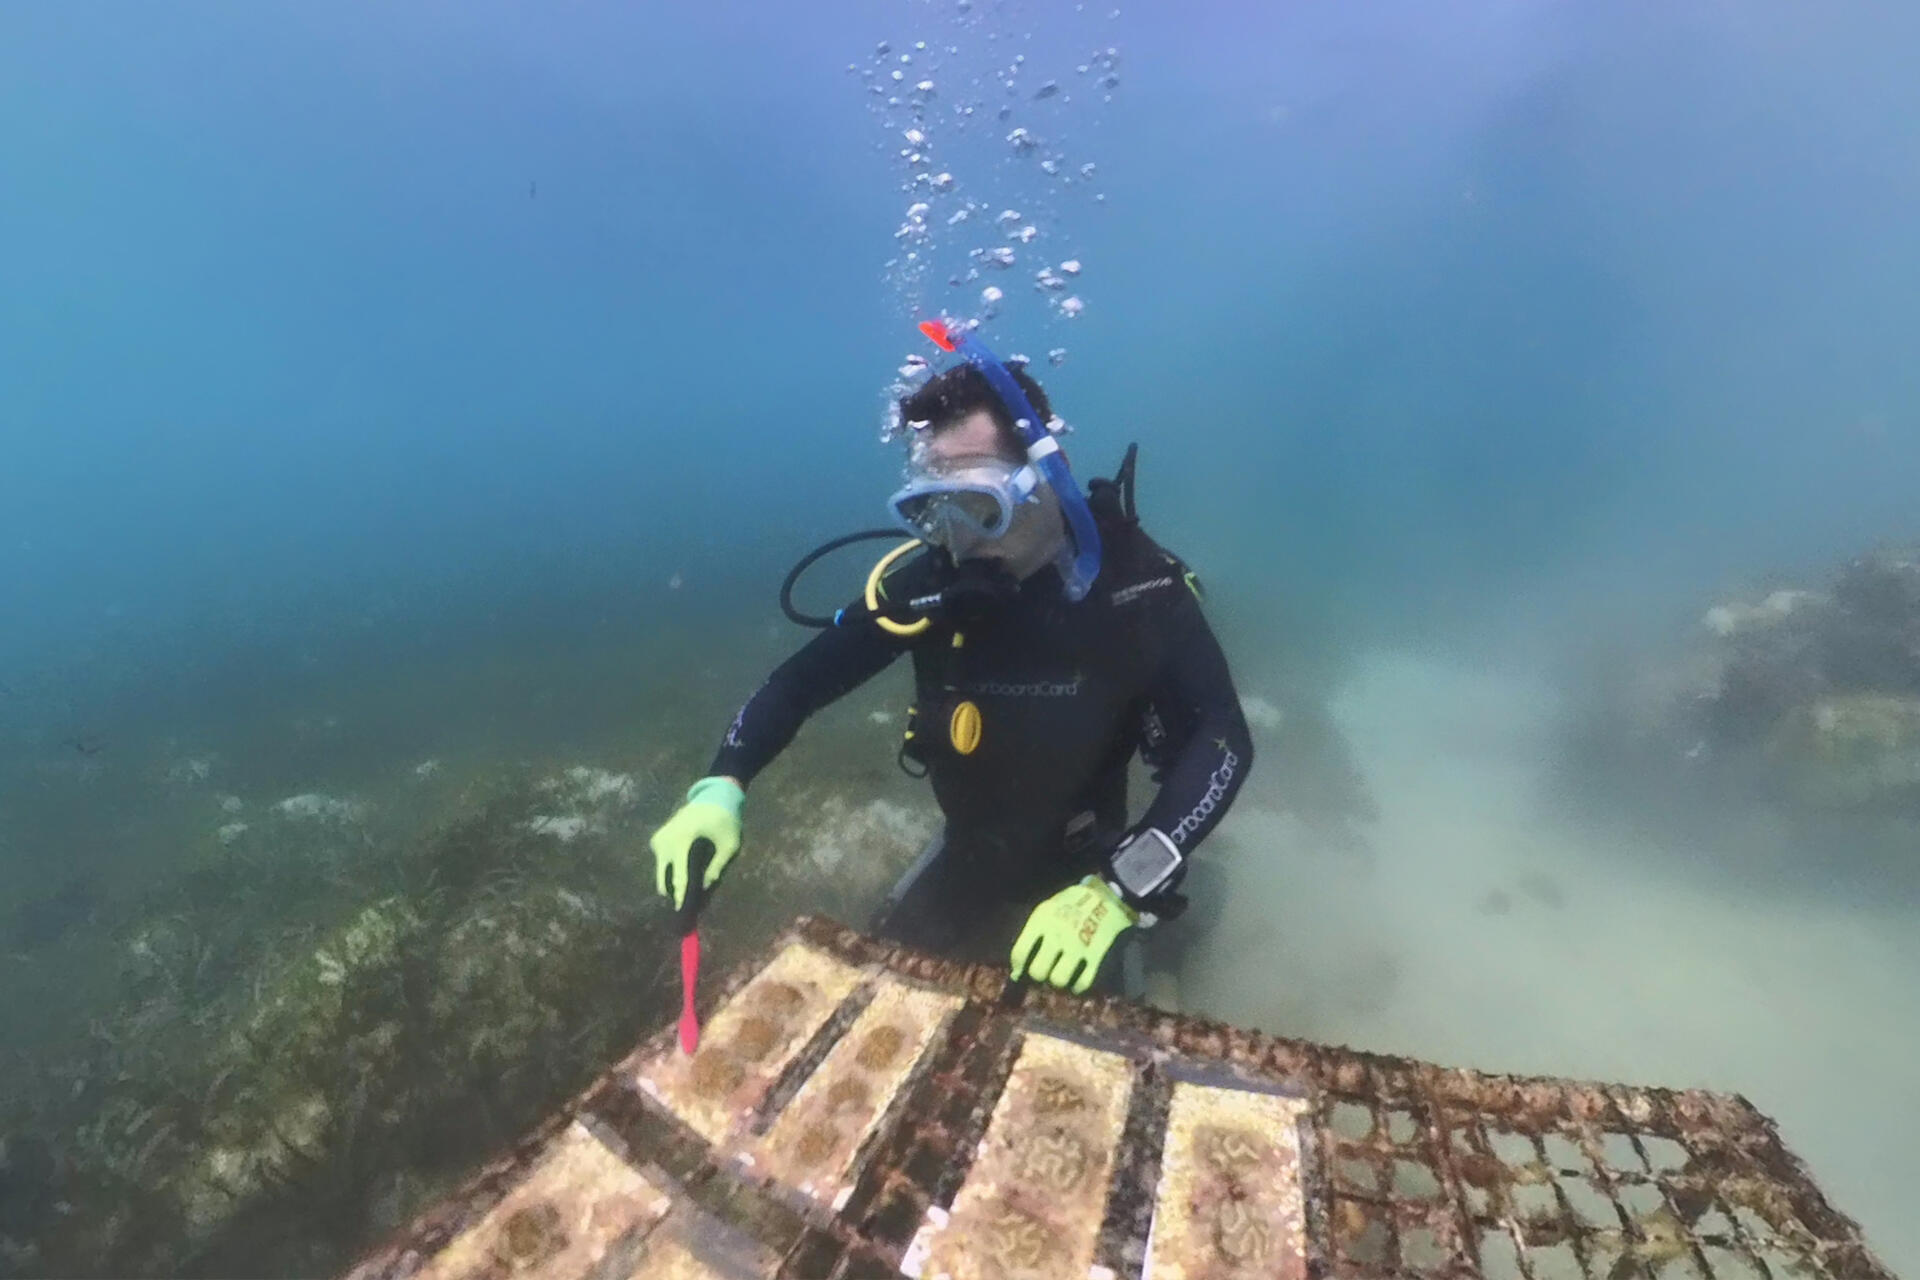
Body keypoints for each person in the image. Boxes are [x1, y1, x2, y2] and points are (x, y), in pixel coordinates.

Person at [649, 332, 1253, 995]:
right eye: (935, 508)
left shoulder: (1136, 590)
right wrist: (721, 786)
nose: (960, 538)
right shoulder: (924, 589)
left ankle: (1176, 915)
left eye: (981, 504)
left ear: (1051, 474)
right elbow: (799, 684)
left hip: (1095, 862)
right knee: (874, 988)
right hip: (972, 852)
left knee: (1107, 1033)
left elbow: (1222, 734)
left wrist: (1119, 889)